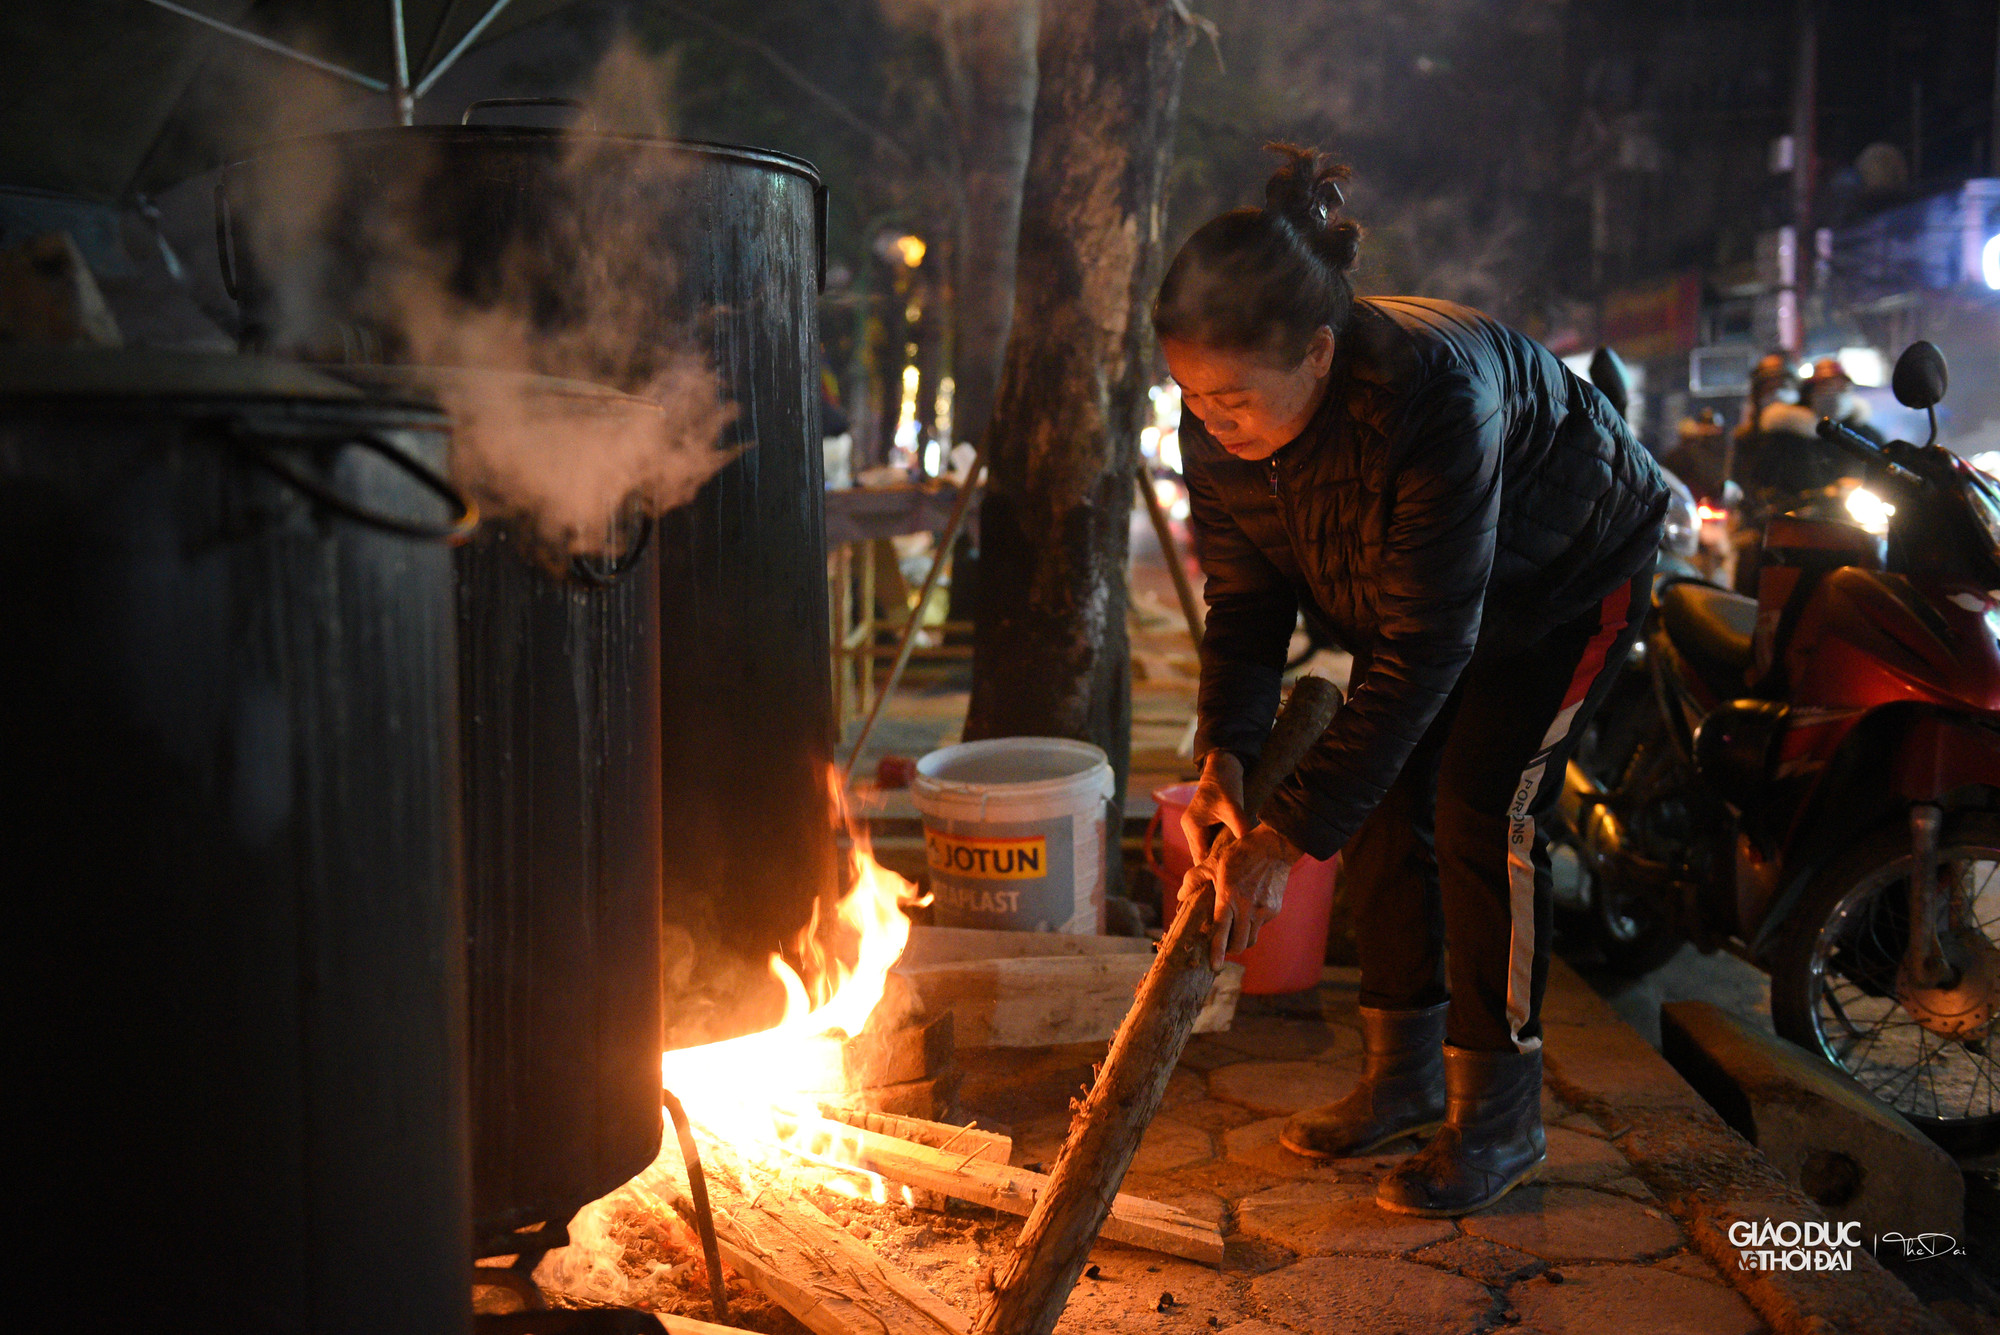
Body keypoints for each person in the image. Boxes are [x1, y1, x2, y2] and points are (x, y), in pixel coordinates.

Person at [1156, 145, 1667, 1218]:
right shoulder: (1219, 428)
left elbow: (1426, 649)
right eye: (1190, 397)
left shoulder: (1430, 398)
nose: (1211, 421)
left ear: (1320, 353)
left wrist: (1281, 837)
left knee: (1481, 808)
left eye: (1233, 398)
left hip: (1561, 582)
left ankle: (1498, 1118)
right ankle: (1400, 1078)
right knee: (1383, 805)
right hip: (1430, 608)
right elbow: (1247, 607)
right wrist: (1226, 763)